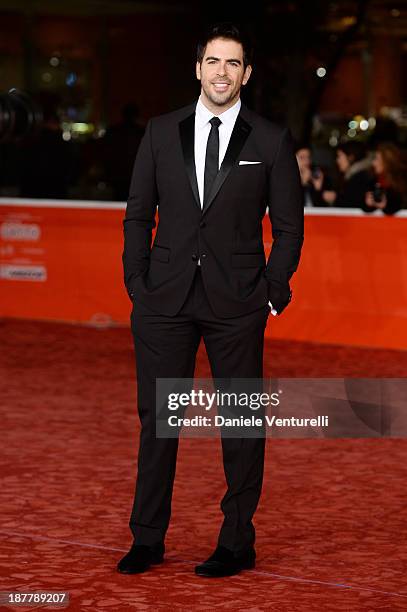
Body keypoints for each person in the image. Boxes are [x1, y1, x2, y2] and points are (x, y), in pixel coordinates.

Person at [118, 22, 304, 578]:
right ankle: (148, 539)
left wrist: (272, 289)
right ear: (197, 68)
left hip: (238, 303)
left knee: (241, 423)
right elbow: (136, 213)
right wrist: (137, 282)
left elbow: (289, 228)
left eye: (233, 64)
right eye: (213, 62)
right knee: (158, 423)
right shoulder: (159, 131)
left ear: (245, 74)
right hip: (163, 302)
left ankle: (236, 541)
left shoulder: (270, 140)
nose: (222, 72)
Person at [324, 141, 372, 208]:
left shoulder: (359, 178)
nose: (337, 160)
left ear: (350, 157)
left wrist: (335, 198)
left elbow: (353, 204)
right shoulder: (352, 176)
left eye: (339, 156)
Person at [364, 142, 406, 215]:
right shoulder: (373, 181)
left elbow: (401, 204)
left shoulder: (402, 183)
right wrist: (368, 204)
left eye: (377, 159)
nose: (373, 163)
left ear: (387, 162)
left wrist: (387, 206)